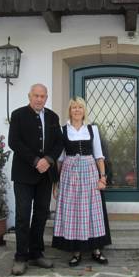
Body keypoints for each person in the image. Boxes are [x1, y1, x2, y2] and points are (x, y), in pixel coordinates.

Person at [8, 83, 64, 276]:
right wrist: (35, 161)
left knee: (41, 215)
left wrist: (48, 160)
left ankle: (36, 253)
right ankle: (21, 257)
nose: (39, 99)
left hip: (46, 175)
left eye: (42, 96)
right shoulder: (18, 115)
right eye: (36, 95)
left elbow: (59, 143)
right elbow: (14, 142)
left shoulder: (53, 117)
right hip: (24, 174)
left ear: (46, 98)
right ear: (29, 96)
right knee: (23, 216)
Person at [52, 97, 112, 266]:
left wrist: (103, 177)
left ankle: (96, 250)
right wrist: (55, 184)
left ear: (84, 110)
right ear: (70, 111)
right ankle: (76, 251)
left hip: (90, 173)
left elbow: (99, 156)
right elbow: (60, 159)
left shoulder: (92, 129)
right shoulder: (63, 130)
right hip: (69, 174)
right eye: (74, 107)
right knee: (73, 211)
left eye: (80, 107)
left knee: (92, 210)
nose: (77, 110)